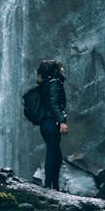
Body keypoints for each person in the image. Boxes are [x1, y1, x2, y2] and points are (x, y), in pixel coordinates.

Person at [37, 59, 68, 190]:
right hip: (51, 123)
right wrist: (62, 121)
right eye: (61, 68)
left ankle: (54, 186)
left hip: (45, 123)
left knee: (56, 155)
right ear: (56, 70)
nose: (63, 70)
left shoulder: (46, 83)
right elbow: (54, 103)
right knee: (52, 153)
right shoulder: (55, 83)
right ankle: (48, 186)